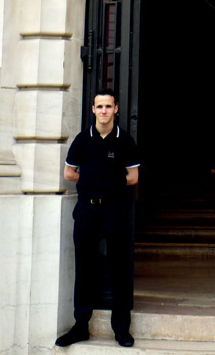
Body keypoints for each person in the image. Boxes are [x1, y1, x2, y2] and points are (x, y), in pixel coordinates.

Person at [55, 89, 140, 348]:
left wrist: (101, 182)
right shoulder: (83, 139)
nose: (104, 111)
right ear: (93, 109)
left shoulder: (125, 141)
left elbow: (133, 178)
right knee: (85, 268)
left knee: (119, 270)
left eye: (108, 106)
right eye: (99, 106)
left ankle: (121, 329)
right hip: (87, 211)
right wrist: (97, 181)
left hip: (115, 211)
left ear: (116, 109)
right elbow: (69, 173)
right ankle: (81, 326)